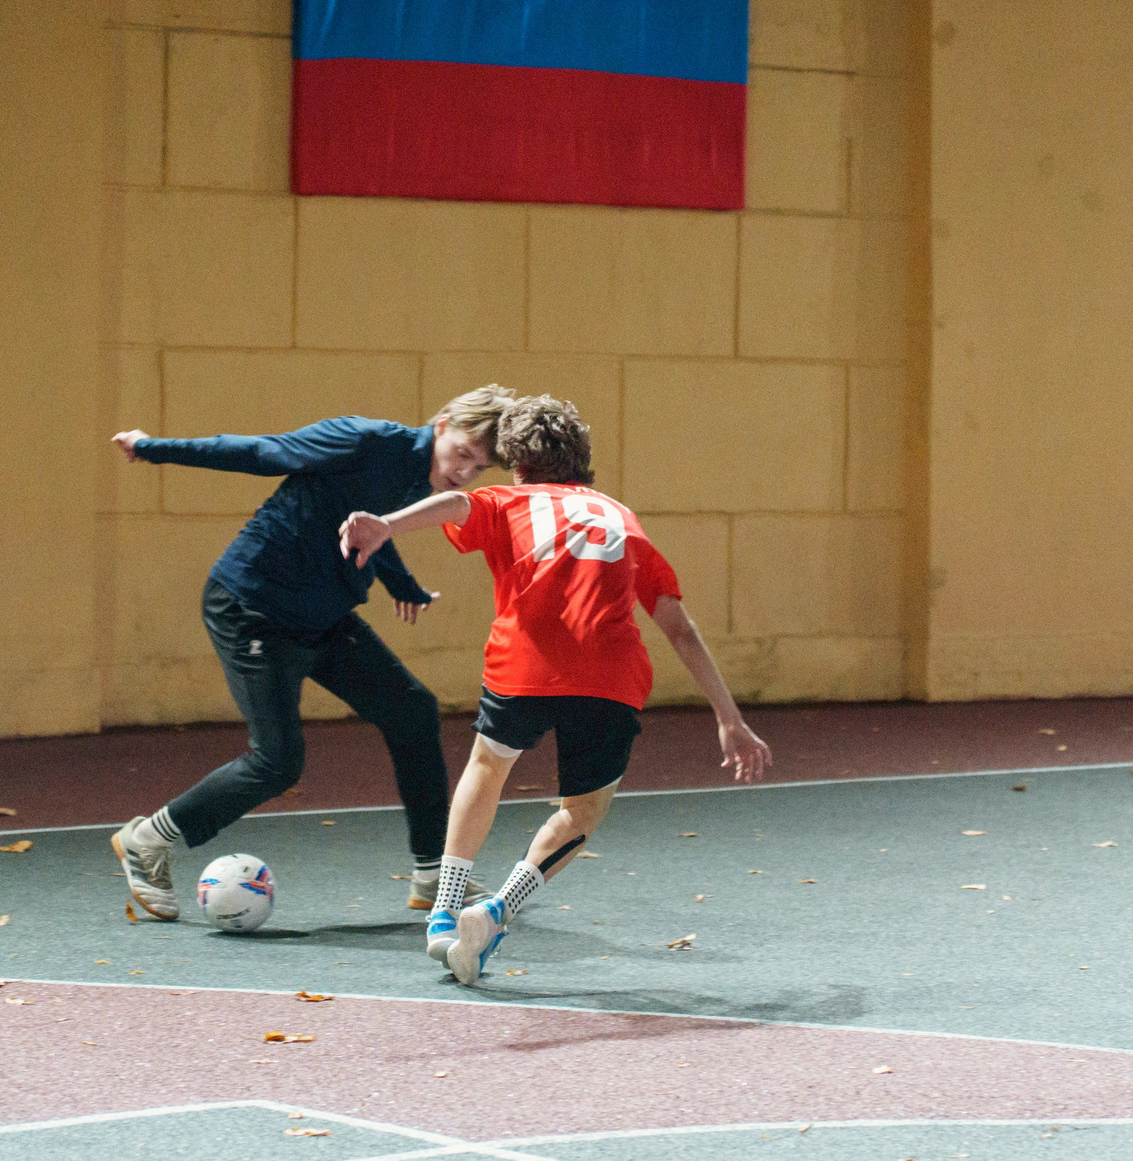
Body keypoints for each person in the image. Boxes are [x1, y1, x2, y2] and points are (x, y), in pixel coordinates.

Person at [340, 395, 770, 985]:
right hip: (610, 678)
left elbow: (458, 504)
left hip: (524, 666)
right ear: (582, 460)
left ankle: (444, 911)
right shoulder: (621, 517)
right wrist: (729, 717)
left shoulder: (508, 499)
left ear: (516, 463)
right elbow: (679, 627)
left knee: (488, 767)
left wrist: (387, 524)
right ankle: (496, 911)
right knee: (582, 811)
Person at [106, 387, 511, 920]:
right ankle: (147, 839)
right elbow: (257, 452)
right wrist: (155, 447)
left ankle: (433, 871)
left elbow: (362, 526)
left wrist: (401, 583)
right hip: (254, 606)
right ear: (440, 426)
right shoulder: (364, 440)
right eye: (462, 454)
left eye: (478, 468)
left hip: (321, 618)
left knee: (412, 710)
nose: (462, 474)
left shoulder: (420, 478)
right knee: (277, 762)